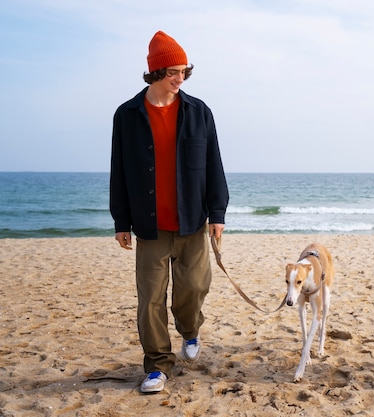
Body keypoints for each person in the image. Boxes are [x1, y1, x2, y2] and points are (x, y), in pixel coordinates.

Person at [109, 31, 229, 394]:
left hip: (192, 221)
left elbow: (213, 165)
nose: (180, 78)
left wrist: (217, 213)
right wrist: (121, 221)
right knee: (150, 302)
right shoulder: (127, 115)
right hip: (149, 226)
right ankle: (158, 366)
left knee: (193, 289)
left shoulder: (199, 112)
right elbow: (119, 169)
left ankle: (190, 329)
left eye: (184, 72)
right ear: (155, 71)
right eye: (173, 71)